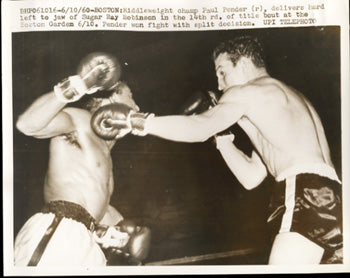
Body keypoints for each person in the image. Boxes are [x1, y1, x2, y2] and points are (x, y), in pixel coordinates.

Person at [91, 36, 343, 264]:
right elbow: (252, 177)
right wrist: (222, 139)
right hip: (336, 198)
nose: (220, 85)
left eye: (223, 72)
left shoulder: (246, 92)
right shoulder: (291, 97)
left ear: (244, 63)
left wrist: (137, 121)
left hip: (304, 194)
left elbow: (198, 128)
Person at [14, 52, 151, 266]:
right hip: (57, 230)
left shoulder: (105, 151)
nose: (137, 107)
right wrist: (78, 85)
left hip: (83, 238)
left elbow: (92, 205)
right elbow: (27, 125)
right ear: (114, 98)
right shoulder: (80, 121)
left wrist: (117, 230)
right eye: (131, 96)